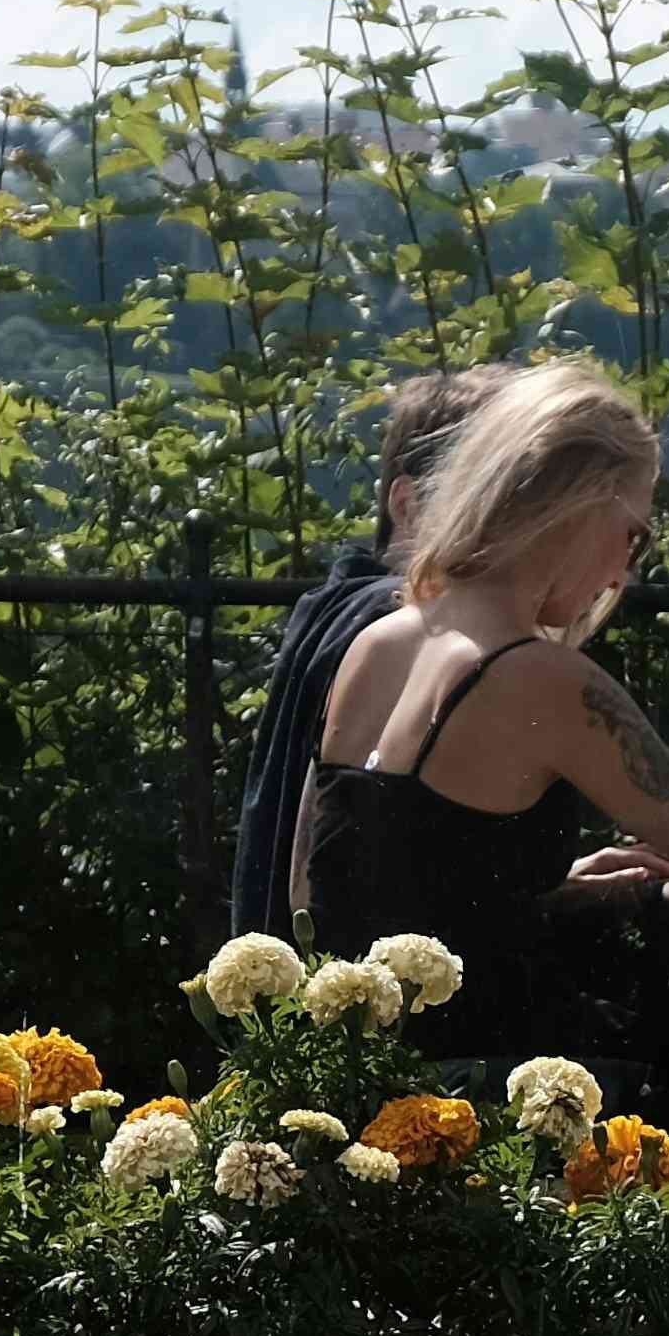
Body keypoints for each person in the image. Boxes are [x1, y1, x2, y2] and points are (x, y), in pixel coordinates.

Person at [297, 361, 669, 1152]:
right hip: (493, 1099)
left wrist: (519, 893)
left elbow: (340, 883)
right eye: (631, 534)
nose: (623, 570)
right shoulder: (538, 676)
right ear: (576, 509)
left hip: (368, 1081)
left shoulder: (378, 644)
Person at [229, 365, 516, 939]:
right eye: (485, 498)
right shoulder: (402, 626)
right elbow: (357, 868)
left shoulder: (336, 606)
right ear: (406, 505)